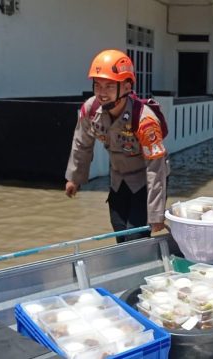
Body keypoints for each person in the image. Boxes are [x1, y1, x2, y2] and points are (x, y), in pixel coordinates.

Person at [65, 49, 169, 243]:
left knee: (136, 236)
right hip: (118, 180)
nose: (102, 93)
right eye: (98, 85)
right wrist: (74, 178)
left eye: (109, 86)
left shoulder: (144, 120)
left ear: (127, 86)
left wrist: (156, 214)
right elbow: (82, 142)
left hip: (145, 182)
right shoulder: (91, 109)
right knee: (120, 234)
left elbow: (156, 169)